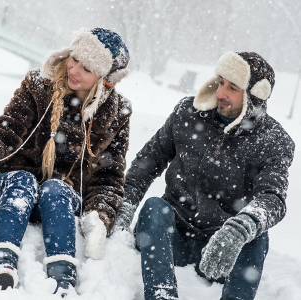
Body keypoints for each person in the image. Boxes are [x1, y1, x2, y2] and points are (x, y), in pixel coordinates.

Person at [0, 27, 131, 296]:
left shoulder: (116, 113)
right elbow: (5, 134)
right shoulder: (38, 85)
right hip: (9, 190)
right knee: (24, 179)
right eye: (75, 59)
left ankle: (63, 277)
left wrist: (99, 216)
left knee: (55, 188)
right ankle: (1, 264)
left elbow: (109, 175)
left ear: (104, 80)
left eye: (87, 68)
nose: (74, 70)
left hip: (59, 202)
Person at [114, 51, 295, 300]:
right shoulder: (187, 113)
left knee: (257, 233)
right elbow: (149, 160)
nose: (221, 93)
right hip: (171, 238)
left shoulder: (273, 140)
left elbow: (272, 197)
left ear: (254, 97)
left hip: (222, 250)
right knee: (155, 207)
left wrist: (239, 228)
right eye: (220, 82)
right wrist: (125, 203)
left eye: (232, 88)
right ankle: (161, 294)